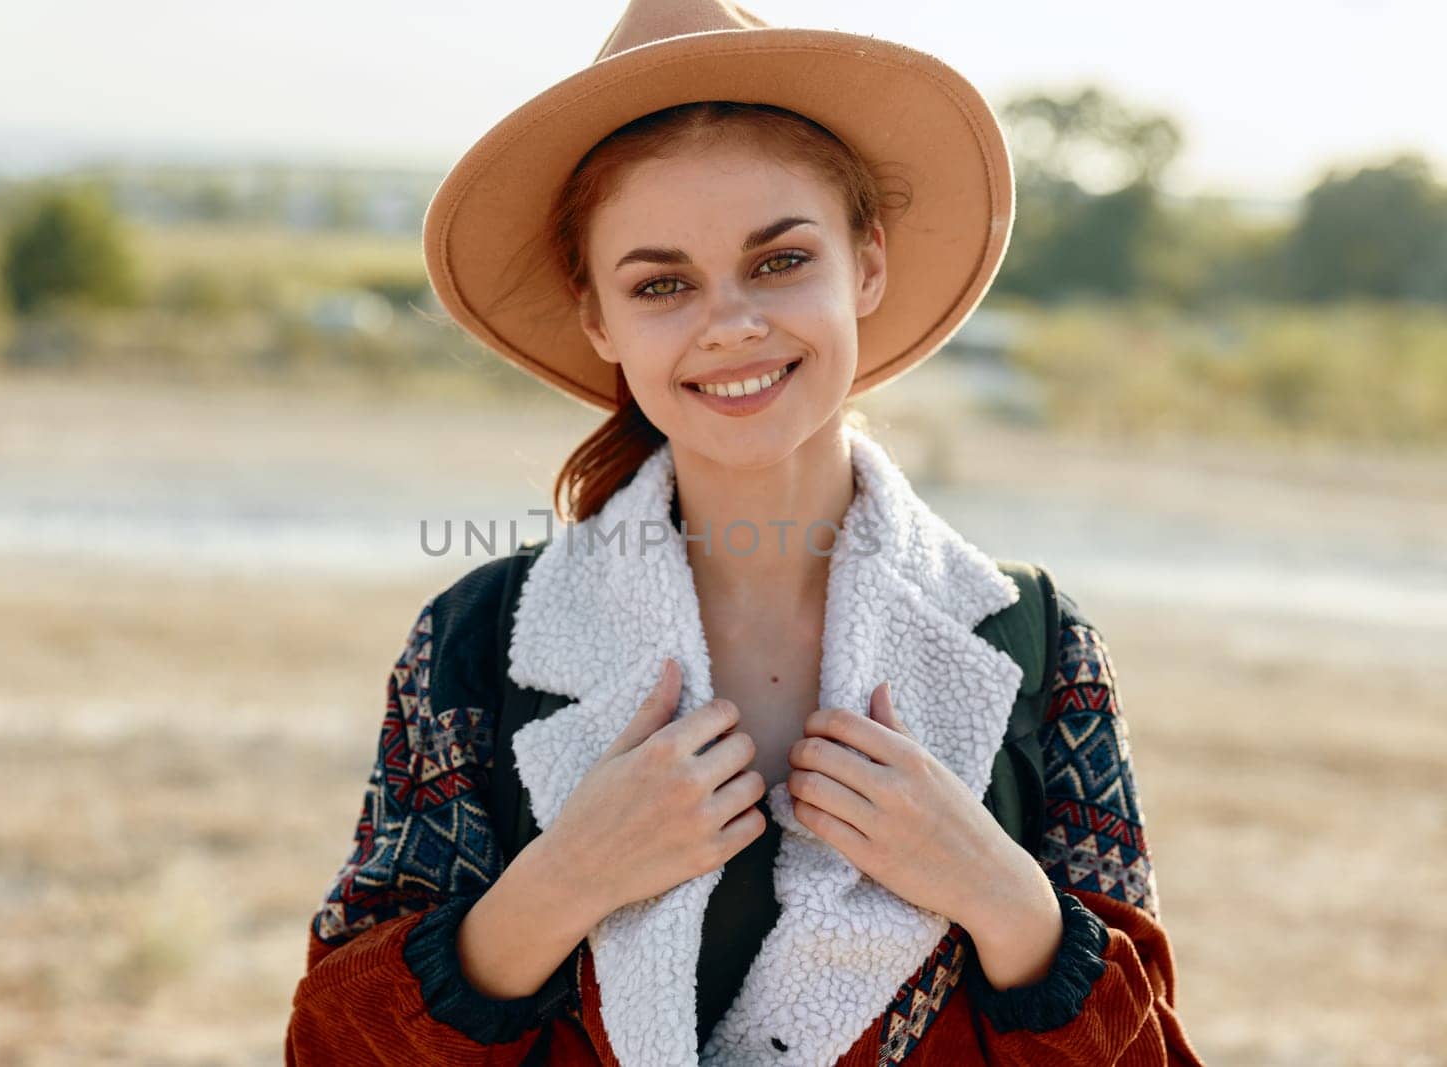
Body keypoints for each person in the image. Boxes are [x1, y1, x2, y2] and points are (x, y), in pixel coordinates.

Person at [284, 1, 1205, 1063]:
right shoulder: (476, 641)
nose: (729, 322)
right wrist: (567, 874)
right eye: (661, 283)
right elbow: (330, 1046)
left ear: (865, 265)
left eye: (778, 262)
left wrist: (1000, 893)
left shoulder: (1034, 641)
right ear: (599, 321)